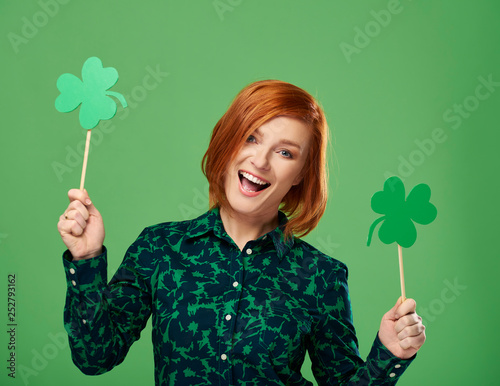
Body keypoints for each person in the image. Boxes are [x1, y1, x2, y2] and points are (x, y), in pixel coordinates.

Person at [57, 80, 425, 385]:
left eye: (285, 153)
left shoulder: (321, 277)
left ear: (299, 174)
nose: (260, 161)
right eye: (251, 138)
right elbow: (95, 357)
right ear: (228, 142)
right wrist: (86, 260)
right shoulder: (159, 249)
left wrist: (388, 355)